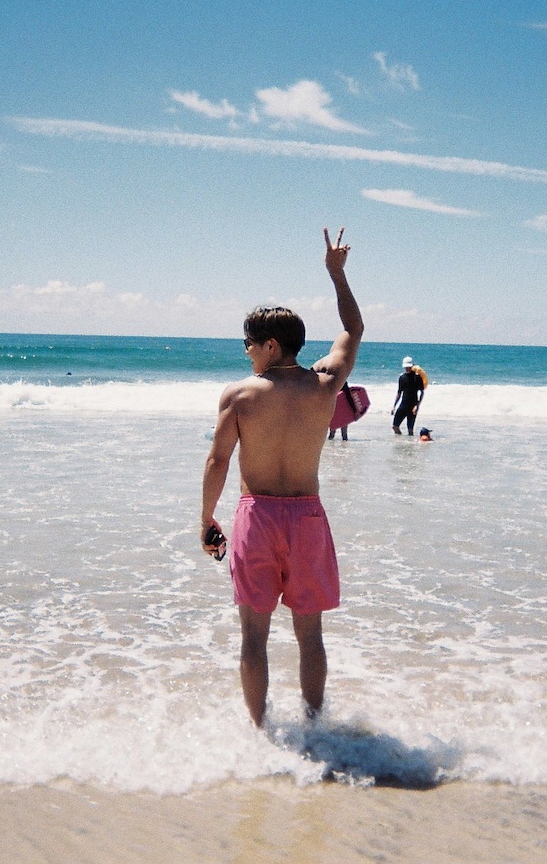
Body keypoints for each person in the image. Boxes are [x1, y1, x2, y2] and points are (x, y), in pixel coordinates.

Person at [201, 228, 363, 727]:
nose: (246, 351)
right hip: (308, 520)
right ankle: (316, 730)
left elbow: (218, 461)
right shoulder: (325, 384)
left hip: (258, 518)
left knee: (253, 636)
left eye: (249, 343)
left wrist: (206, 520)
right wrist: (337, 275)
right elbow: (353, 330)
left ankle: (260, 733)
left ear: (271, 345)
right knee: (310, 636)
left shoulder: (240, 395)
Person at [392, 356, 425, 435]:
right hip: (403, 405)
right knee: (395, 426)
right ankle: (401, 441)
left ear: (412, 366)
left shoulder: (417, 377)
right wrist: (394, 406)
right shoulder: (402, 378)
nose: (407, 368)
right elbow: (399, 393)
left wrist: (417, 406)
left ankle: (410, 442)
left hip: (413, 405)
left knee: (410, 429)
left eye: (409, 367)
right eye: (406, 367)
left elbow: (422, 393)